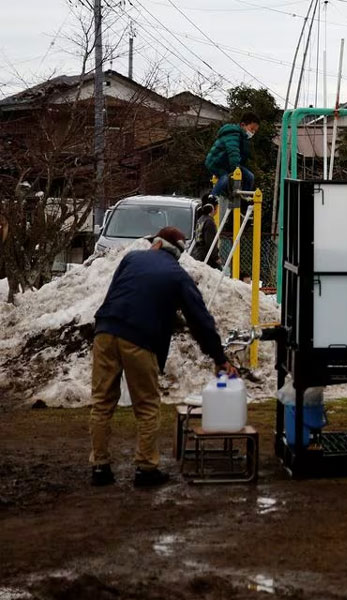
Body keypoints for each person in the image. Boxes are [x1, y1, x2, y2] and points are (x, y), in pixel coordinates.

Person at [90, 226, 238, 488]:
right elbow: (200, 321)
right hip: (140, 339)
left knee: (101, 402)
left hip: (105, 330)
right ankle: (146, 469)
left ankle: (100, 467)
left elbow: (116, 293)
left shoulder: (131, 259)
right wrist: (219, 357)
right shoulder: (178, 276)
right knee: (146, 406)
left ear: (156, 244)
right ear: (178, 253)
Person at [206, 112, 259, 199]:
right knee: (224, 178)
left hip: (228, 163)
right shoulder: (233, 134)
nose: (252, 132)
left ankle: (244, 197)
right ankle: (212, 197)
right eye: (252, 129)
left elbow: (243, 156)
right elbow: (233, 152)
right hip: (216, 162)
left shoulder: (244, 138)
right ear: (243, 125)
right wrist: (236, 169)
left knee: (250, 176)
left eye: (255, 131)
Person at [189, 201, 221, 269]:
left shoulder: (200, 219)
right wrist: (216, 258)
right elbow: (210, 242)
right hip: (206, 256)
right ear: (212, 210)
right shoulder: (209, 222)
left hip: (198, 253)